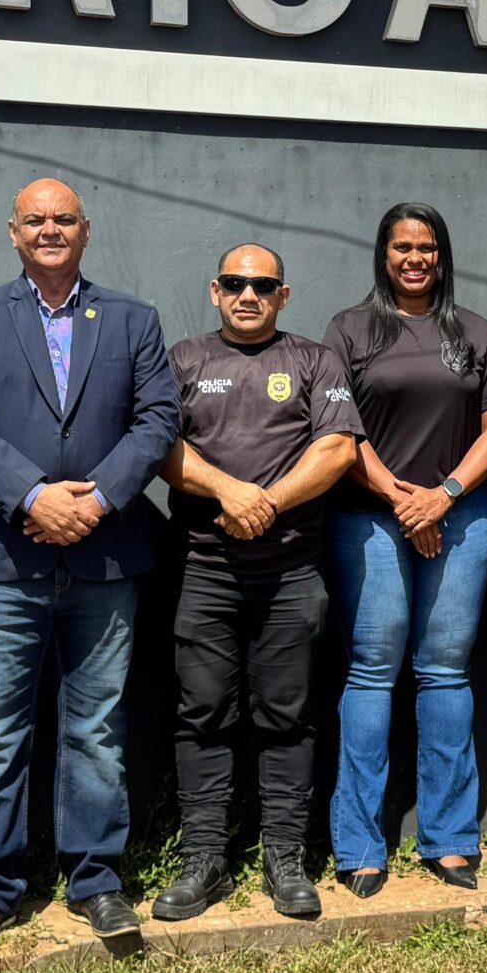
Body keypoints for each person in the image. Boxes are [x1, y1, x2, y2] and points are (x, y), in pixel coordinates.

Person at [0, 177, 177, 964]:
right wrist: (35, 496)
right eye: (34, 220)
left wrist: (96, 499)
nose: (49, 229)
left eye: (63, 219)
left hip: (105, 556)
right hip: (3, 558)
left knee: (97, 730)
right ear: (13, 233)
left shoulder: (132, 319)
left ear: (86, 230)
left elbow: (158, 420)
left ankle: (96, 879)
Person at [155, 244, 363, 922]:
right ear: (216, 290)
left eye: (263, 285)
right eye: (236, 283)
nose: (249, 295)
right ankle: (203, 859)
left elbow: (338, 447)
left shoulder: (314, 360)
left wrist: (265, 502)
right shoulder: (184, 360)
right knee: (202, 715)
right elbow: (160, 447)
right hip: (204, 570)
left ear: (283, 294)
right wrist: (229, 491)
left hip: (292, 573)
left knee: (288, 717)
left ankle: (285, 859)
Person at [321, 205, 487, 898]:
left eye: (427, 247)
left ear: (441, 255)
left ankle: (451, 839)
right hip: (370, 520)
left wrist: (446, 494)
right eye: (402, 246)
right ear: (384, 253)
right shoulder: (349, 330)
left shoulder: (476, 333)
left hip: (460, 520)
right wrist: (405, 501)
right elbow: (339, 432)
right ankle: (359, 845)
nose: (415, 258)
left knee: (445, 672)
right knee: (372, 672)